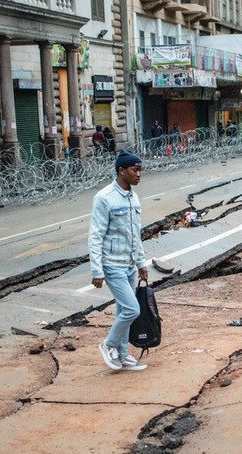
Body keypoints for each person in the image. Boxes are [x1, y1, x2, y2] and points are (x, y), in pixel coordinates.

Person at [89, 150, 149, 371]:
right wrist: (97, 271)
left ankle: (122, 356)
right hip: (112, 264)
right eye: (135, 170)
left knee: (122, 310)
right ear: (121, 171)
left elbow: (135, 234)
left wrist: (142, 263)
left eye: (140, 169)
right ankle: (109, 345)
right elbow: (95, 236)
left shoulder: (133, 197)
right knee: (132, 310)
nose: (139, 174)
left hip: (130, 265)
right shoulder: (104, 198)